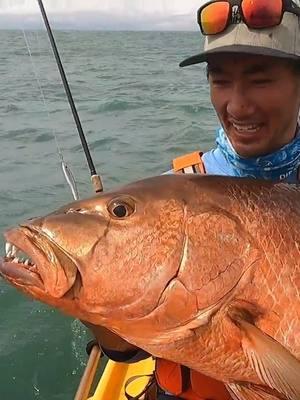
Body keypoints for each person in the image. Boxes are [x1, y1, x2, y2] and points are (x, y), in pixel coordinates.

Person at [84, 0, 300, 399]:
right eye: (220, 81)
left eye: (260, 80)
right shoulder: (169, 198)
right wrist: (92, 295)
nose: (237, 105)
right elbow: (124, 349)